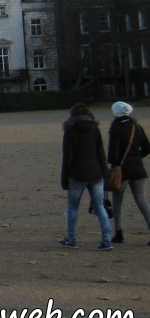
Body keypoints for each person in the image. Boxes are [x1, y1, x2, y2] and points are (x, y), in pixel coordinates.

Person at [60, 103, 112, 251]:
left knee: (73, 208)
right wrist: (104, 173)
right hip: (95, 172)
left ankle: (72, 239)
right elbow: (101, 154)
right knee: (100, 206)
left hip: (77, 174)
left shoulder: (70, 130)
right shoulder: (95, 129)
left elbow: (67, 157)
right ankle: (107, 239)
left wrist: (64, 179)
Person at [107, 102, 150, 245]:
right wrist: (136, 157)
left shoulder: (116, 129)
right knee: (142, 202)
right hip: (138, 169)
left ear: (115, 113)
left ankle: (118, 232)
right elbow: (147, 148)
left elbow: (112, 156)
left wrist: (118, 161)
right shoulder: (136, 127)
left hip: (122, 171)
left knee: (117, 202)